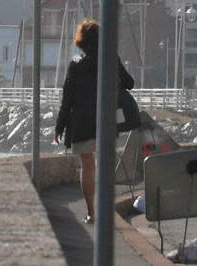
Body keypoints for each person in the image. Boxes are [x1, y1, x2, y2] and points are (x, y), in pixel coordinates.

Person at [54, 18, 135, 224]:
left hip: (81, 121)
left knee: (87, 165)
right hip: (106, 119)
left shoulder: (75, 63)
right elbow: (129, 83)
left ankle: (91, 212)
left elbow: (67, 97)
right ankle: (106, 210)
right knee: (105, 163)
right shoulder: (110, 59)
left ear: (81, 40)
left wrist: (60, 126)